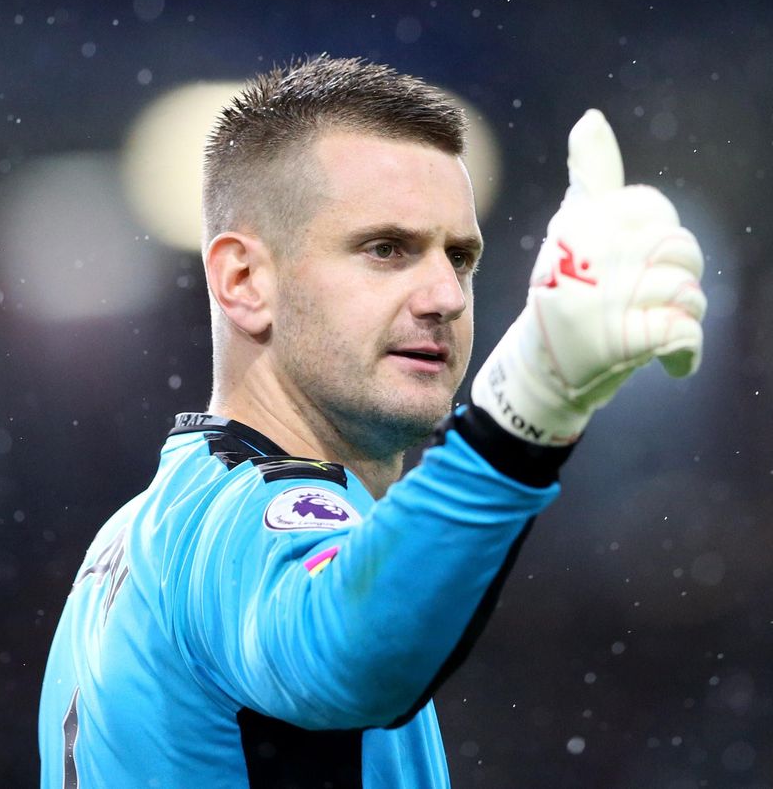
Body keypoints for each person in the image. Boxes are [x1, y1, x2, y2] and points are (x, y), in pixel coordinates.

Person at [37, 56, 707, 788]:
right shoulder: (243, 517)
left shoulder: (143, 532)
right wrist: (523, 415)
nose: (446, 295)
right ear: (244, 281)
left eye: (461, 257)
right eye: (386, 249)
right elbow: (344, 652)